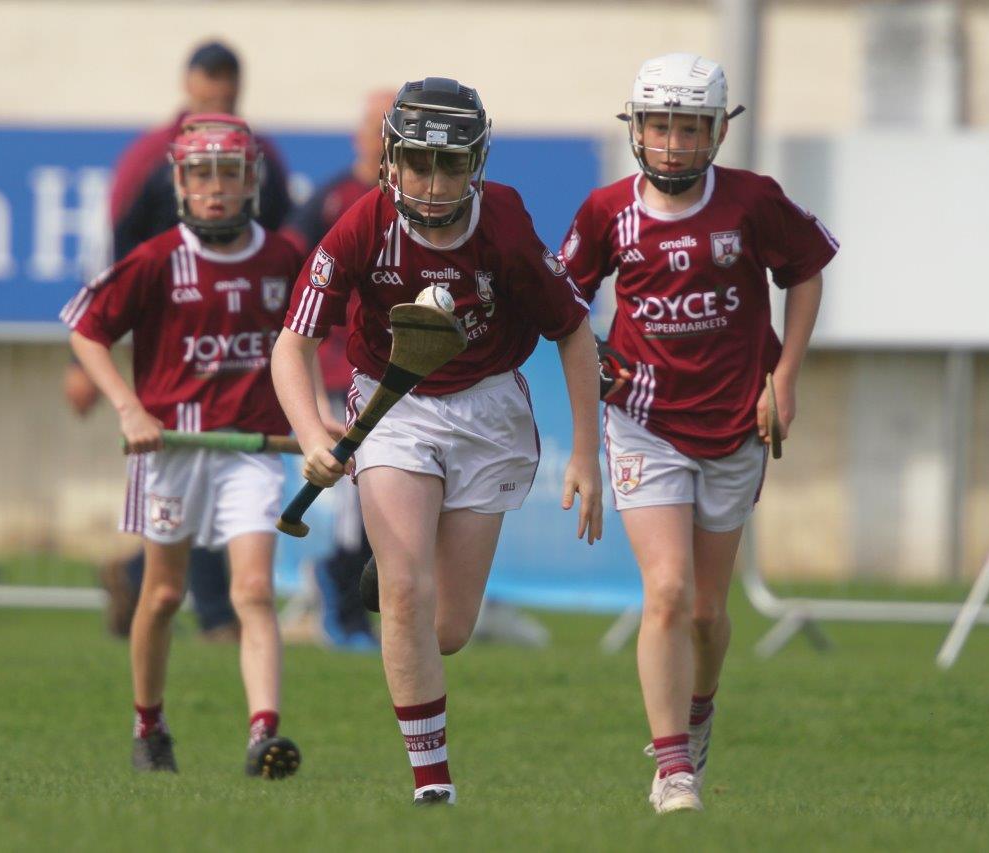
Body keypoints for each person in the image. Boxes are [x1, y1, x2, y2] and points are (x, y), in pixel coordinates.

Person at [271, 78, 604, 806]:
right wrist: (308, 433)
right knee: (407, 589)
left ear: (476, 165)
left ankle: (398, 590)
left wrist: (586, 451)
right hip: (395, 406)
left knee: (447, 627)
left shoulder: (506, 223)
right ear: (390, 161)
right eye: (418, 162)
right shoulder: (363, 222)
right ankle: (433, 783)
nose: (432, 181)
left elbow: (574, 333)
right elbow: (293, 342)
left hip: (487, 409)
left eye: (450, 166)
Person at [560, 53, 838, 813]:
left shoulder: (753, 202)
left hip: (733, 425)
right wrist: (594, 394)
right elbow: (561, 307)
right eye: (660, 126)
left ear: (717, 132)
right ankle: (673, 767)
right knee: (669, 592)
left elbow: (807, 271)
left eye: (689, 128)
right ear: (636, 129)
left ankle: (699, 713)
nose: (673, 143)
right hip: (644, 423)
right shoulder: (605, 211)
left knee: (709, 612)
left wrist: (786, 378)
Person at [62, 115, 305, 777]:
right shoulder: (157, 258)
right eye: (202, 173)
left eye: (229, 172)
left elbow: (309, 339)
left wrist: (315, 423)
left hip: (252, 447)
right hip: (169, 448)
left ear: (251, 179)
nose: (216, 187)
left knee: (252, 589)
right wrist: (129, 407)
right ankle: (149, 724)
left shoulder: (285, 257)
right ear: (181, 181)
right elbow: (86, 332)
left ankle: (264, 734)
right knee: (164, 596)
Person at [279, 89, 396, 651]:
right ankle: (343, 596)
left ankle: (361, 595)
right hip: (339, 367)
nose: (380, 136)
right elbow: (288, 264)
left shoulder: (420, 201)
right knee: (357, 491)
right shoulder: (332, 199)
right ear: (359, 134)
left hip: (402, 371)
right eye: (375, 125)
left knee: (391, 495)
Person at [63, 359, 242, 643]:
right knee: (196, 506)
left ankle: (135, 574)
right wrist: (81, 367)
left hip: (224, 385)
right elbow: (97, 320)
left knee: (199, 508)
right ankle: (214, 616)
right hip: (178, 393)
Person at [111, 40, 292, 261]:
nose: (222, 88)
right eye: (212, 76)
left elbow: (285, 225)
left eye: (229, 77)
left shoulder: (261, 153)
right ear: (188, 82)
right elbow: (122, 230)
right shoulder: (152, 153)